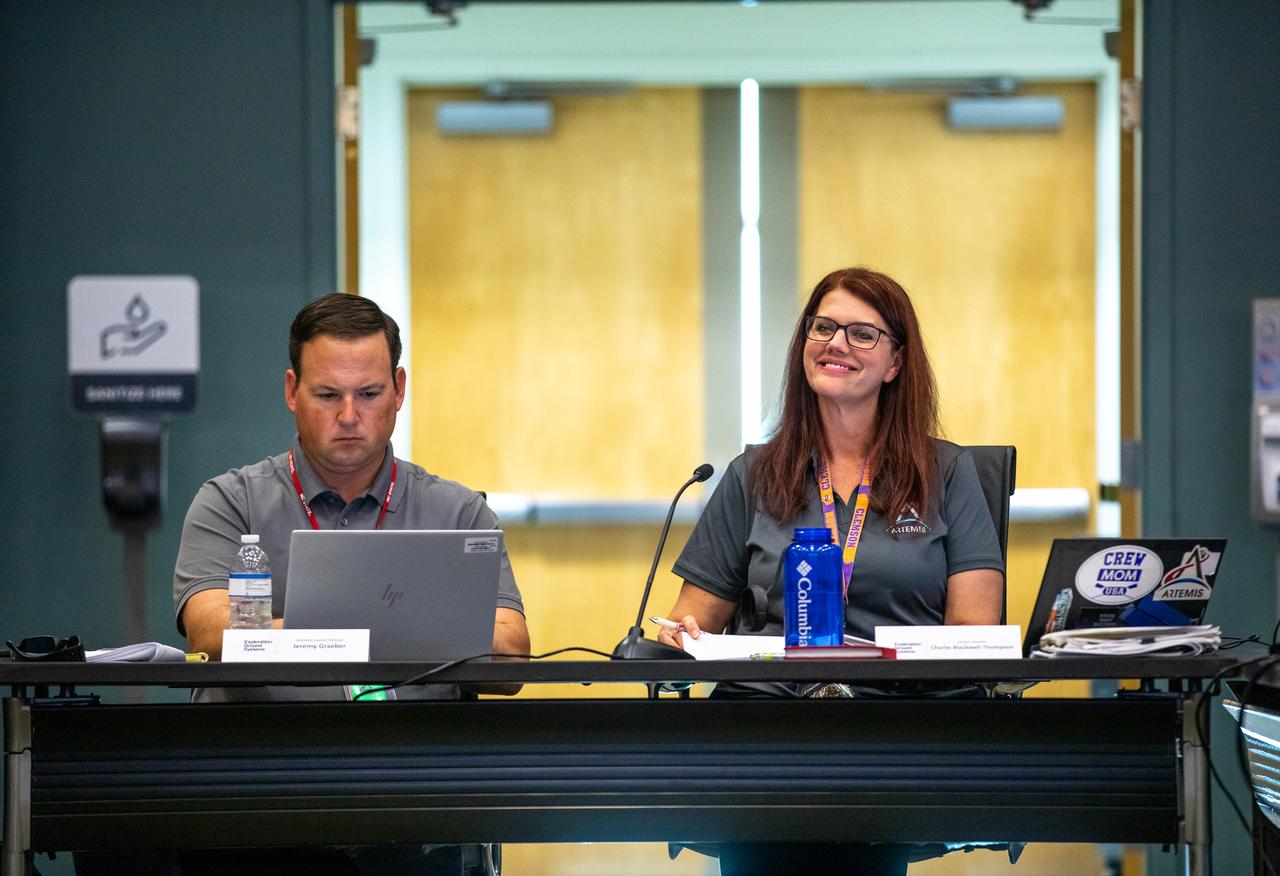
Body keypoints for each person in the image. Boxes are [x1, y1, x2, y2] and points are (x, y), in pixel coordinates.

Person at [659, 267, 1004, 876]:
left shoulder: (947, 474)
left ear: (896, 363)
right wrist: (681, 633)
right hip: (765, 731)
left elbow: (974, 631)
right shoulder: (752, 474)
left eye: (862, 334)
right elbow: (692, 619)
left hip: (897, 729)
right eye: (823, 327)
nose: (836, 343)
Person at [173, 292, 530, 699]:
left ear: (399, 390)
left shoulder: (458, 513)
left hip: (415, 740)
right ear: (292, 392)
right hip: (268, 739)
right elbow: (210, 637)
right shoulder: (231, 503)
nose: (348, 416)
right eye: (328, 396)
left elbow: (511, 659)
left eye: (368, 394)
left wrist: (322, 634)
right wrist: (386, 633)